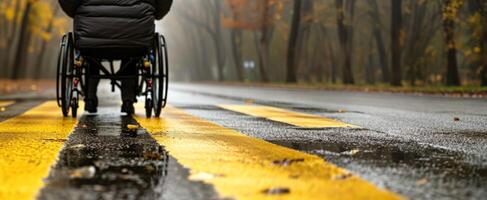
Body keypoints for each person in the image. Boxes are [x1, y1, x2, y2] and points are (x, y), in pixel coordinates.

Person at [58, 0, 173, 114]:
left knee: (90, 53)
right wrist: (156, 13)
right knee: (132, 52)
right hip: (135, 36)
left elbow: (69, 3)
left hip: (92, 34)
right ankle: (128, 100)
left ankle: (90, 98)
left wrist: (77, 11)